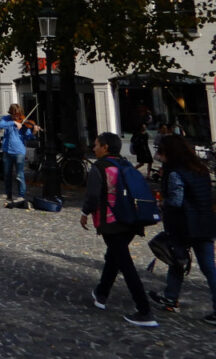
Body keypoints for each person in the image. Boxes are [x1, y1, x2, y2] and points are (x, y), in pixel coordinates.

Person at [80, 132, 158, 327]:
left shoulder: (99, 168)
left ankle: (144, 310)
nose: (94, 148)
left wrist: (85, 212)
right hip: (131, 220)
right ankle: (101, 294)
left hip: (112, 220)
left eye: (96, 144)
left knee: (124, 263)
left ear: (105, 147)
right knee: (114, 257)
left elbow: (92, 196)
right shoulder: (125, 165)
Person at [147, 134, 216, 324]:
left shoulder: (176, 172)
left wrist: (162, 203)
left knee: (178, 259)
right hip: (205, 223)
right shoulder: (199, 169)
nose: (160, 156)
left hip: (185, 225)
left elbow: (176, 201)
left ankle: (171, 298)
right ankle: (170, 297)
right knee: (204, 266)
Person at [0, 104, 38, 203]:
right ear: (11, 113)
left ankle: (21, 195)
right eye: (14, 115)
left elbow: (28, 137)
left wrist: (33, 132)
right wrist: (14, 123)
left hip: (19, 151)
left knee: (19, 174)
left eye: (18, 115)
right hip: (7, 150)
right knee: (7, 174)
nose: (17, 117)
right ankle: (8, 195)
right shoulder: (7, 119)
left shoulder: (24, 122)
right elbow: (1, 125)